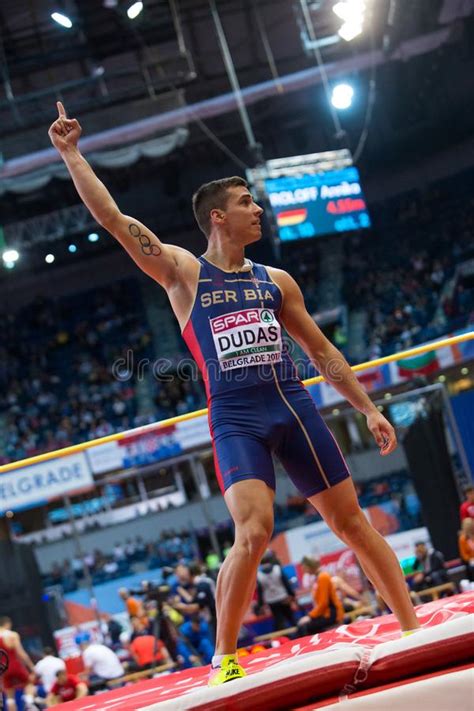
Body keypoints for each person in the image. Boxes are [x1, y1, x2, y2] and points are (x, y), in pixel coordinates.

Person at [48, 103, 420, 686]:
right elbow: (117, 220)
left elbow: (323, 352)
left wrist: (367, 407)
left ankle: (411, 629)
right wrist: (72, 154)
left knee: (352, 522)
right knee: (254, 531)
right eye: (248, 201)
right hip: (237, 417)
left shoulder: (277, 282)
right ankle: (224, 657)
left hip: (293, 406)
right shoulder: (182, 273)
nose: (260, 208)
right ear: (218, 217)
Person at [296, 557, 344, 636]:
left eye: (304, 568)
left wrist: (310, 616)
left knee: (303, 626)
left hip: (332, 615)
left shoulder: (323, 577)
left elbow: (323, 603)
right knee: (302, 625)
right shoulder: (319, 577)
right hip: (327, 613)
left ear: (308, 566)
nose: (303, 570)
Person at [0, 616, 35, 710]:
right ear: (8, 624)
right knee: (29, 683)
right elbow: (21, 653)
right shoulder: (12, 635)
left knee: (9, 696)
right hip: (15, 665)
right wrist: (32, 667)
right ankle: (29, 702)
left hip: (3, 669)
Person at [256, 551, 297, 630]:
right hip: (283, 598)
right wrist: (292, 595)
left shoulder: (259, 575)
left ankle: (285, 639)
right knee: (291, 618)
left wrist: (260, 604)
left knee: (279, 621)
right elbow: (286, 583)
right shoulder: (277, 569)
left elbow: (260, 591)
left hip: (272, 601)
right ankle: (300, 635)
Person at [458, 518, 474, 582]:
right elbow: (464, 554)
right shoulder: (463, 539)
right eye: (468, 526)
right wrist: (471, 559)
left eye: (471, 525)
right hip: (471, 561)